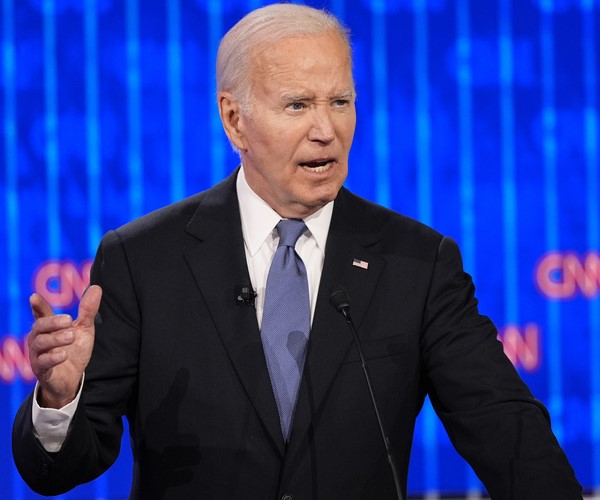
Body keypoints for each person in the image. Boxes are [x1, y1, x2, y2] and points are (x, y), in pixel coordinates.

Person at [12, 3, 582, 499]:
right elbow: (60, 470)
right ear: (234, 119)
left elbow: (506, 430)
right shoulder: (143, 260)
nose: (326, 129)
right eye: (297, 105)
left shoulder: (417, 262)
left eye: (340, 101)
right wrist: (60, 401)